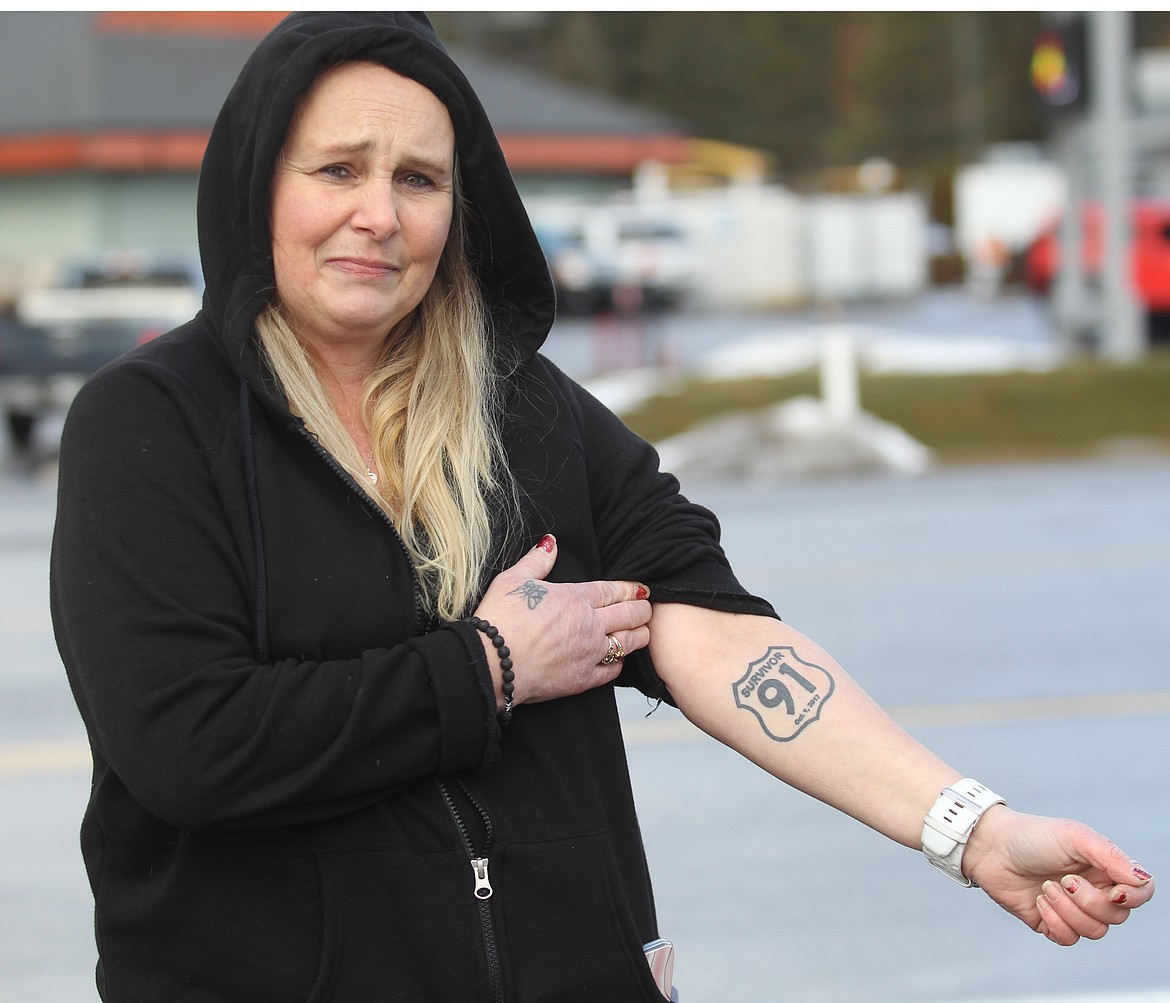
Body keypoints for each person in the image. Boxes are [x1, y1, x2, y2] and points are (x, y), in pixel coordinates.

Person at [50, 12, 1152, 1003]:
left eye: (421, 180)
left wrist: (971, 827)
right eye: (338, 169)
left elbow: (711, 632)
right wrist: (487, 670)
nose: (379, 214)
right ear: (258, 184)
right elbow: (188, 747)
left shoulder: (527, 411)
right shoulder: (150, 425)